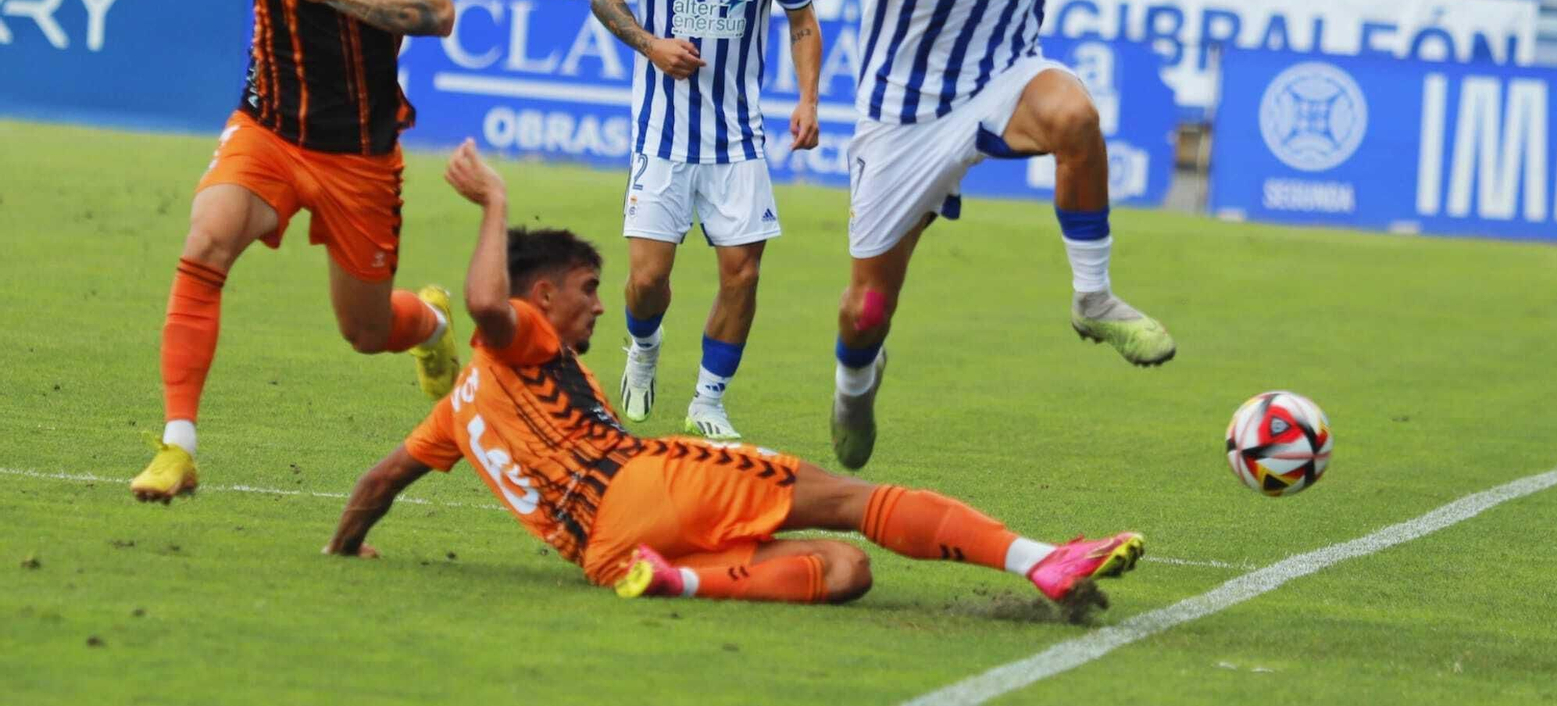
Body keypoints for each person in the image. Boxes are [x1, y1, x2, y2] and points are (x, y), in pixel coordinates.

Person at [804, 0, 1353, 470]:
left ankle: (1093, 299)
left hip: (1005, 73)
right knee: (866, 311)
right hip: (907, 109)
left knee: (1075, 116)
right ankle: (854, 389)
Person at [324, 138, 1146, 612]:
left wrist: (344, 546)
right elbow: (483, 303)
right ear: (541, 295)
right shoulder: (525, 335)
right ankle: (1039, 559)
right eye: (587, 289)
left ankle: (678, 581)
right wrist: (496, 203)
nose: (599, 307)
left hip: (606, 553)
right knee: (853, 501)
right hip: (645, 487)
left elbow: (380, 482)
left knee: (846, 571)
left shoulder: (459, 411)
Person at [86, 0, 460, 503]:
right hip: (268, 131)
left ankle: (428, 325)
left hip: (358, 154)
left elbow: (436, 11)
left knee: (365, 330)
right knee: (206, 239)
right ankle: (178, 447)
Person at [588, 0, 823, 440]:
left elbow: (802, 21)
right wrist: (651, 46)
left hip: (738, 137)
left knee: (742, 274)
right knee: (646, 281)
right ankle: (644, 347)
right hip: (662, 134)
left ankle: (708, 401)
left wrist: (807, 99)